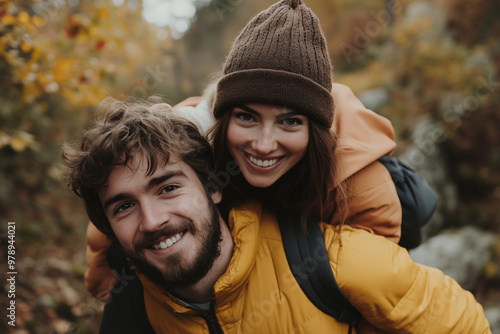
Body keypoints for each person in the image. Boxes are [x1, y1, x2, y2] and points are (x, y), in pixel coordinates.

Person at [62, 98, 491, 333]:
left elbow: (466, 325)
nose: (152, 220)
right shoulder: (131, 317)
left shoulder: (334, 263)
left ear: (213, 187)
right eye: (124, 206)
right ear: (109, 227)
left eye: (168, 187)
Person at [83, 0, 408, 303]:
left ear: (314, 130)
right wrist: (106, 285)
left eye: (290, 122)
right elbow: (123, 195)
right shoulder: (196, 134)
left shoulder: (357, 177)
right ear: (222, 117)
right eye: (246, 117)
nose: (264, 144)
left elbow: (379, 284)